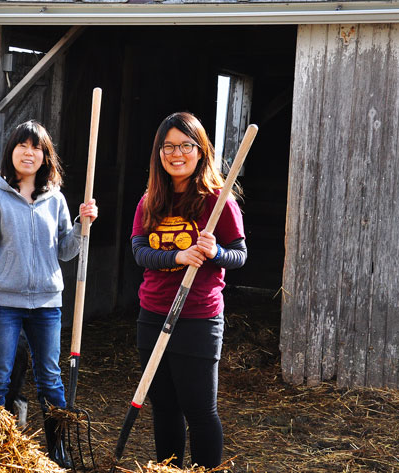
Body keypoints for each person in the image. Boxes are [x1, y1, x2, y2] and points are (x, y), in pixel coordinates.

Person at [0, 120, 98, 468]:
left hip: (47, 303)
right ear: (11, 151)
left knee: (50, 378)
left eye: (36, 147)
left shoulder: (56, 199)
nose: (28, 152)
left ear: (44, 156)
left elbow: (66, 251)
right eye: (22, 145)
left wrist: (82, 225)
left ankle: (58, 450)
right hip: (3, 303)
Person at [131, 112, 247, 468]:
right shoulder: (150, 200)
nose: (176, 153)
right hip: (153, 314)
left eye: (185, 145)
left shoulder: (218, 201)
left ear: (200, 151)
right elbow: (139, 251)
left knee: (199, 410)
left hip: (198, 318)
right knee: (164, 407)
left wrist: (215, 252)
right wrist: (178, 256)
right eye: (168, 147)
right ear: (159, 153)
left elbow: (239, 255)